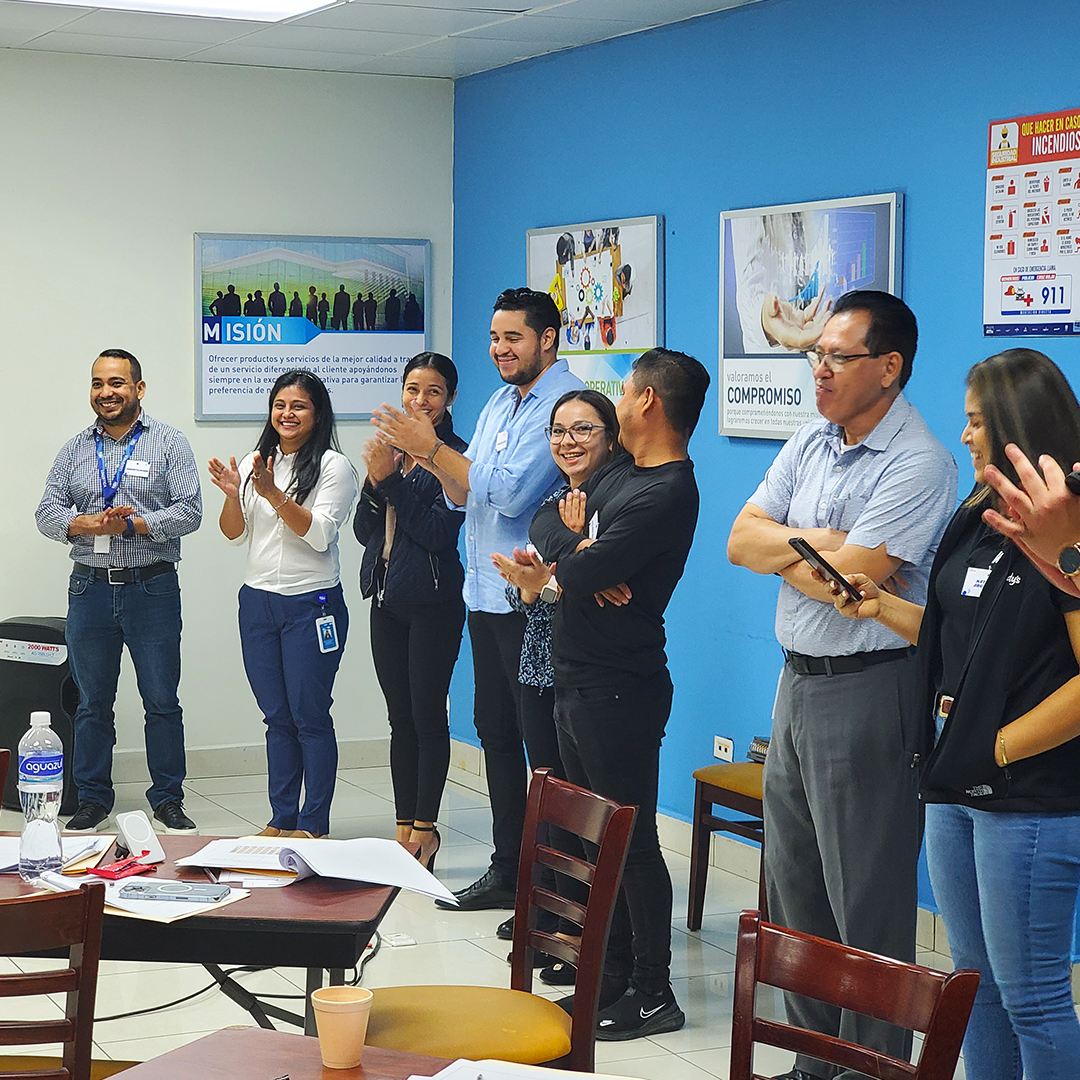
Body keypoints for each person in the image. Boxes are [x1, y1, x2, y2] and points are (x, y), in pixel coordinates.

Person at [726, 290, 957, 1080]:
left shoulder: (920, 461)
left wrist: (802, 551)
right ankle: (812, 1062)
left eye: (837, 357)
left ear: (888, 367)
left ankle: (872, 1068)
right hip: (796, 682)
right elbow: (739, 540)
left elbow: (854, 577)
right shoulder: (811, 439)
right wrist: (817, 545)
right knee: (796, 887)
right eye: (815, 354)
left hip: (871, 687)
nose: (818, 370)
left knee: (865, 896)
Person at [831, 348, 1080, 1080]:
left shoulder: (1068, 524)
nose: (964, 435)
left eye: (976, 421)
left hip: (1029, 797)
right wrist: (882, 608)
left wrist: (996, 748)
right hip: (955, 783)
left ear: (1014, 425)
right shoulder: (976, 515)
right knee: (975, 986)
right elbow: (956, 637)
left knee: (1032, 996)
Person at [370, 287, 583, 911]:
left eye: (513, 337)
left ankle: (553, 885)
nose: (500, 349)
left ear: (547, 339)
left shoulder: (562, 405)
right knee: (494, 732)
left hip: (530, 599)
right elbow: (465, 494)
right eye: (494, 338)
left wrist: (430, 450)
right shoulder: (497, 402)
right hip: (484, 594)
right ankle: (508, 867)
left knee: (541, 744)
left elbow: (510, 494)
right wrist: (435, 459)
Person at [528, 348, 710, 1039]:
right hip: (576, 676)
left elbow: (578, 570)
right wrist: (578, 551)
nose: (621, 400)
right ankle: (605, 979)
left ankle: (654, 993)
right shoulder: (621, 470)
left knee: (630, 842)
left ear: (648, 402)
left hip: (620, 688)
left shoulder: (668, 490)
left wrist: (579, 562)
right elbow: (546, 522)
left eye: (626, 391)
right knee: (592, 838)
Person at [36, 349, 202, 834]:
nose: (106, 392)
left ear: (138, 389)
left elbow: (190, 511)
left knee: (161, 701)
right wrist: (84, 523)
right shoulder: (74, 450)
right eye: (97, 383)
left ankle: (168, 799)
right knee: (91, 703)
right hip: (89, 589)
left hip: (151, 588)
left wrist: (134, 525)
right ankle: (92, 799)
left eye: (116, 383)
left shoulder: (169, 443)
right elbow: (46, 512)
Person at [491, 388, 624, 980]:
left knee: (586, 807)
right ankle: (552, 921)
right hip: (539, 666)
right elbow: (522, 588)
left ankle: (586, 933)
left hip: (591, 672)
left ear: (611, 437)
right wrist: (558, 571)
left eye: (583, 430)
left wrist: (561, 571)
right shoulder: (552, 504)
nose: (568, 442)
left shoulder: (618, 501)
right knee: (549, 800)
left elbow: (598, 579)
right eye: (558, 431)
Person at [208, 370, 357, 838]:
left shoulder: (334, 466)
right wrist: (234, 495)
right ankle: (281, 818)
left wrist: (272, 493)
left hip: (311, 605)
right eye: (280, 405)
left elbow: (319, 535)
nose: (287, 414)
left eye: (299, 406)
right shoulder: (259, 462)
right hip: (258, 603)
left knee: (309, 716)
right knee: (276, 718)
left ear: (317, 414)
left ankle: (313, 824)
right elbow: (234, 533)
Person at [353, 353, 467, 870]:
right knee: (399, 719)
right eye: (412, 389)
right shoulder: (390, 450)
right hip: (386, 600)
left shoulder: (455, 457)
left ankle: (426, 829)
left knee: (427, 716)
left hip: (434, 604)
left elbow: (439, 534)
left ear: (450, 399)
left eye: (433, 392)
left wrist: (393, 482)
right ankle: (402, 828)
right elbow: (364, 531)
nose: (420, 401)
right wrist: (378, 479)